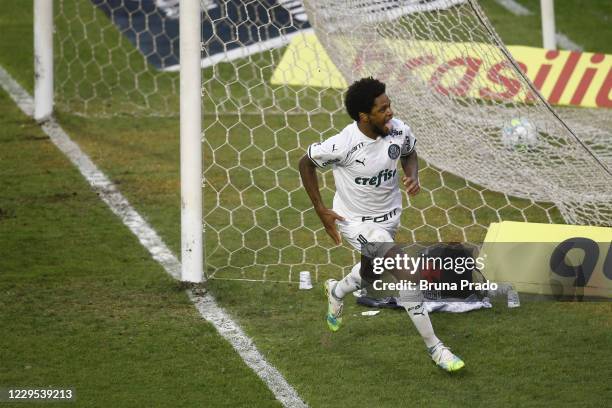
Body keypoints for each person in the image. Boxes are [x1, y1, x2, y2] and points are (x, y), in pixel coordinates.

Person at [298, 77, 465, 372]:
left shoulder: (398, 130)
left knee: (371, 274)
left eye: (389, 105)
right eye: (383, 108)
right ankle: (436, 348)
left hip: (388, 218)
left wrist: (412, 175)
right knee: (404, 271)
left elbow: (409, 152)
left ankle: (336, 291)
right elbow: (305, 163)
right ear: (364, 116)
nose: (390, 112)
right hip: (355, 222)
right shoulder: (344, 144)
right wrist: (321, 209)